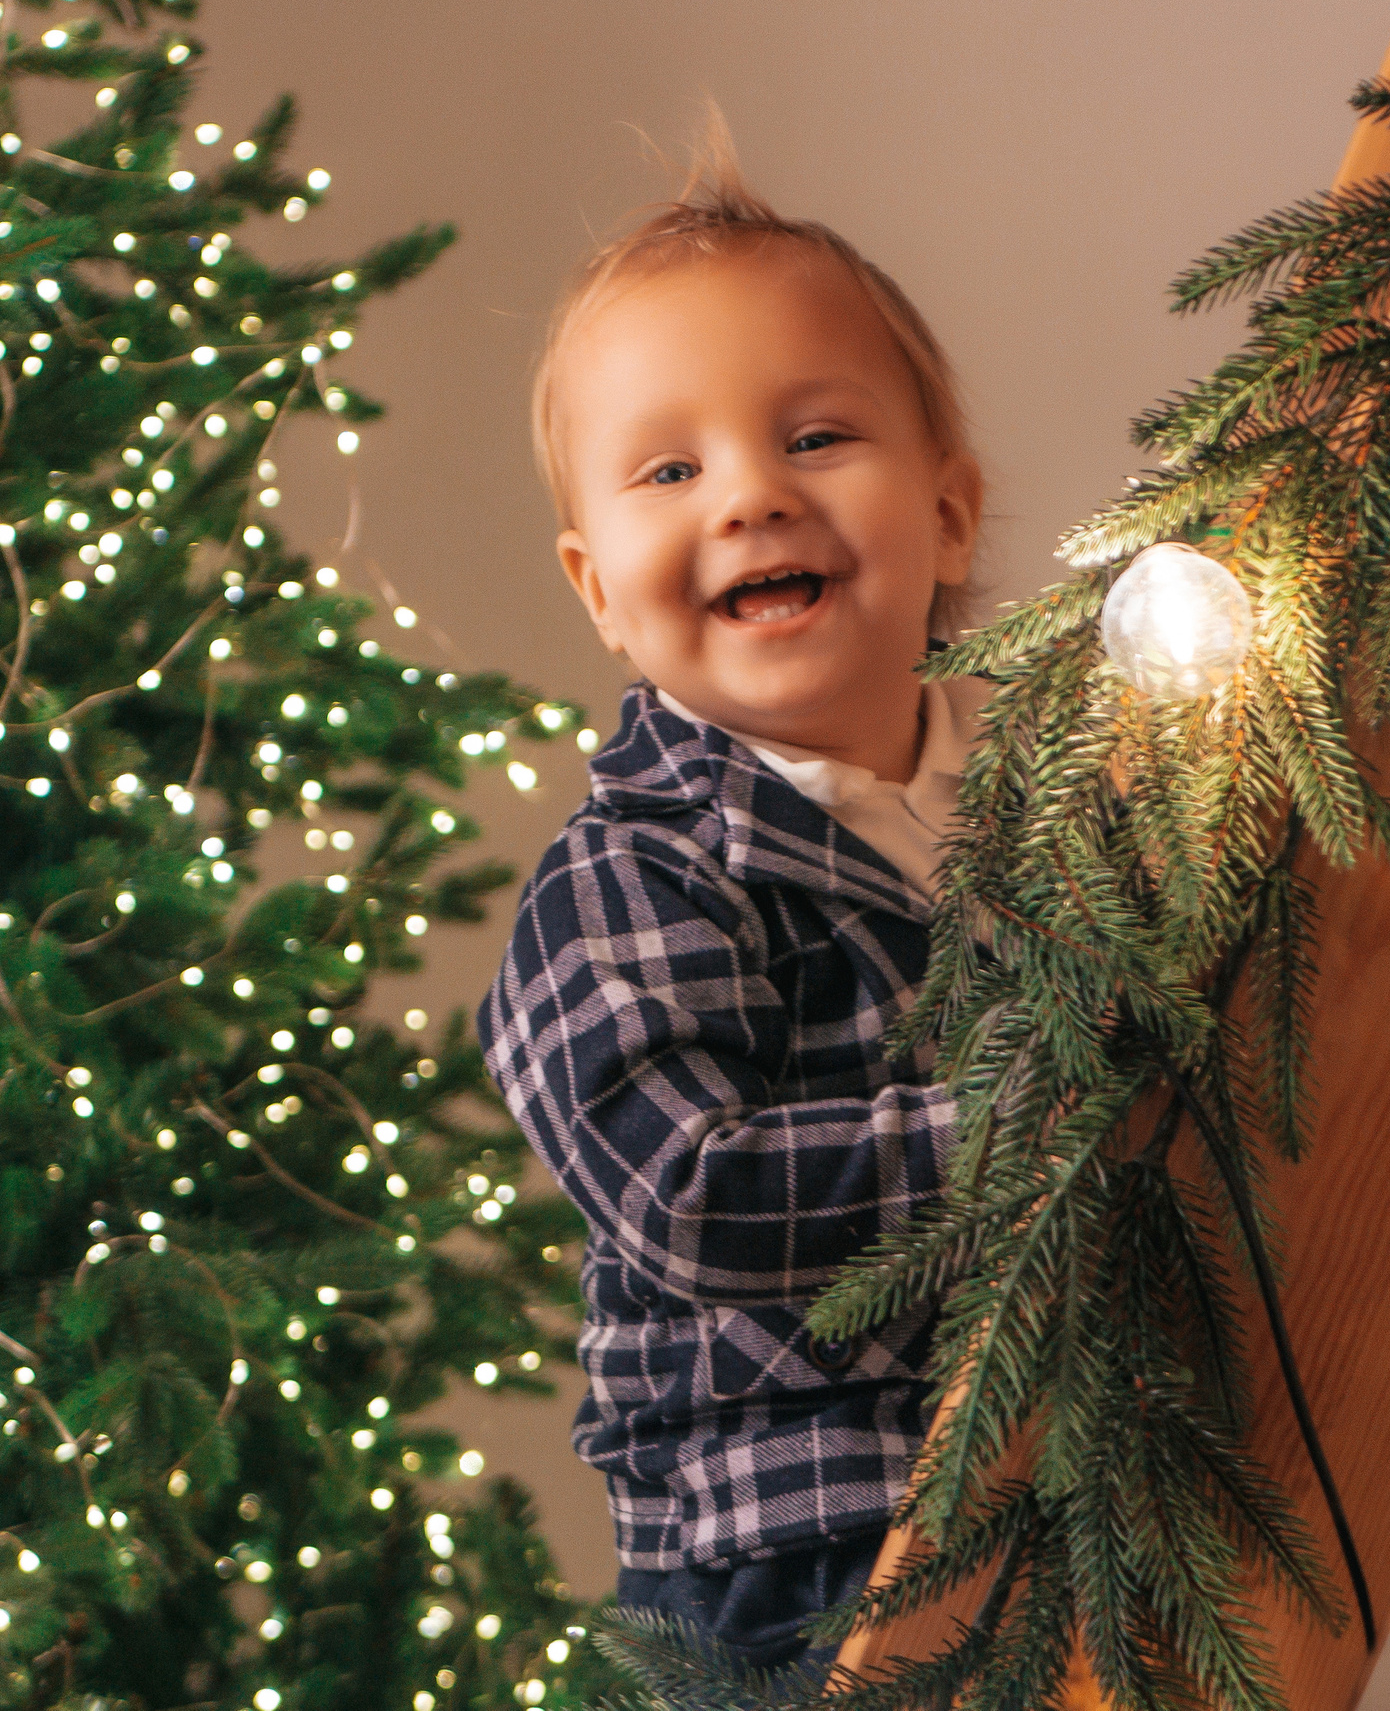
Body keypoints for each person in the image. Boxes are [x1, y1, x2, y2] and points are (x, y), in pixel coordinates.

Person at [478, 120, 987, 1677]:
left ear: (953, 512)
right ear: (598, 589)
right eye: (672, 470)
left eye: (817, 438)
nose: (751, 498)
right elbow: (689, 1196)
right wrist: (1031, 1127)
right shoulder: (631, 873)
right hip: (785, 1548)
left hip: (1044, 1461)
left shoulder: (1039, 807)